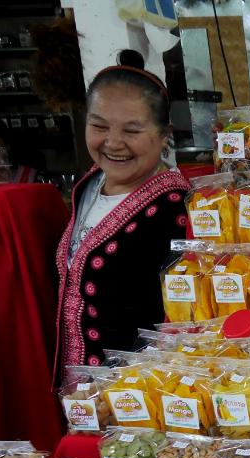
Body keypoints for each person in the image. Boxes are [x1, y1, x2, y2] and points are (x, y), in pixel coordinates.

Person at [54, 50, 190, 369]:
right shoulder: (88, 186)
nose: (113, 142)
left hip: (134, 388)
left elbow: (184, 317)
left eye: (132, 131)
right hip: (77, 385)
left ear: (165, 135)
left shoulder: (177, 208)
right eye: (99, 126)